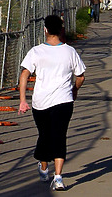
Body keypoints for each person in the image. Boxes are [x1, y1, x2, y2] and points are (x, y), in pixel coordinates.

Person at [18, 14, 86, 189]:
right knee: (53, 136)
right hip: (59, 101)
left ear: (45, 30)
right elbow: (80, 76)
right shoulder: (70, 51)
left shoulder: (36, 51)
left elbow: (24, 74)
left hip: (48, 101)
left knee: (52, 135)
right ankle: (46, 167)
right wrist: (75, 89)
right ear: (61, 30)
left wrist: (23, 100)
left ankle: (56, 176)